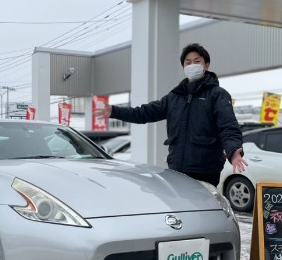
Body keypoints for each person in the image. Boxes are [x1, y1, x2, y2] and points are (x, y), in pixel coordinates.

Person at [94, 43, 247, 186]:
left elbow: (228, 126)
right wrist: (114, 111)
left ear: (206, 65)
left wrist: (233, 152)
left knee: (201, 213)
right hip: (176, 168)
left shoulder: (217, 94)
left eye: (197, 61)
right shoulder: (174, 97)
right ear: (183, 66)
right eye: (187, 62)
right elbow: (144, 113)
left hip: (205, 170)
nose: (191, 65)